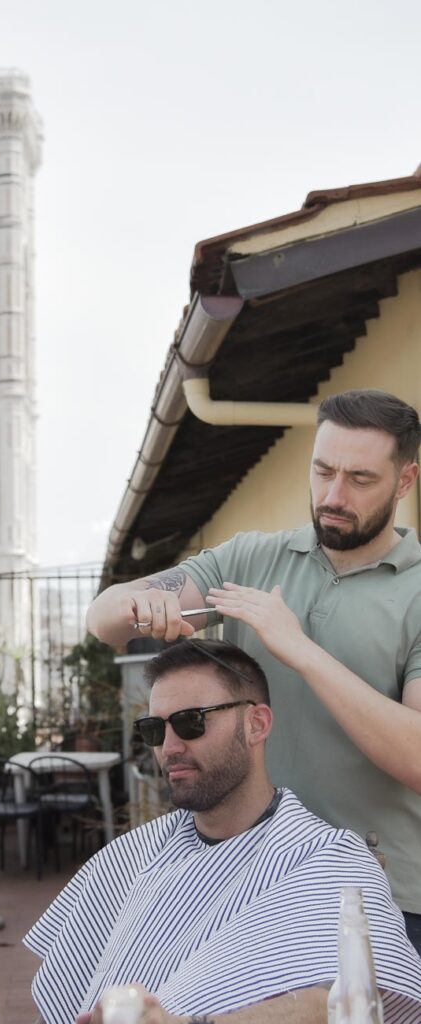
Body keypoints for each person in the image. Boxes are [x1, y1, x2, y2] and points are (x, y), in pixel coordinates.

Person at [86, 389, 421, 949]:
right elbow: (104, 618)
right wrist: (141, 605)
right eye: (322, 471)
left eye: (360, 480)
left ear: (405, 481)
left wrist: (300, 649)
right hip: (248, 883)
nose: (333, 496)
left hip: (380, 897)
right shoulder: (249, 559)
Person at [24, 640, 421, 1024]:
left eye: (190, 722)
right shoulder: (134, 855)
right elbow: (61, 997)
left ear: (256, 724)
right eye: (155, 730)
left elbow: (339, 1002)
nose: (170, 747)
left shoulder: (327, 860)